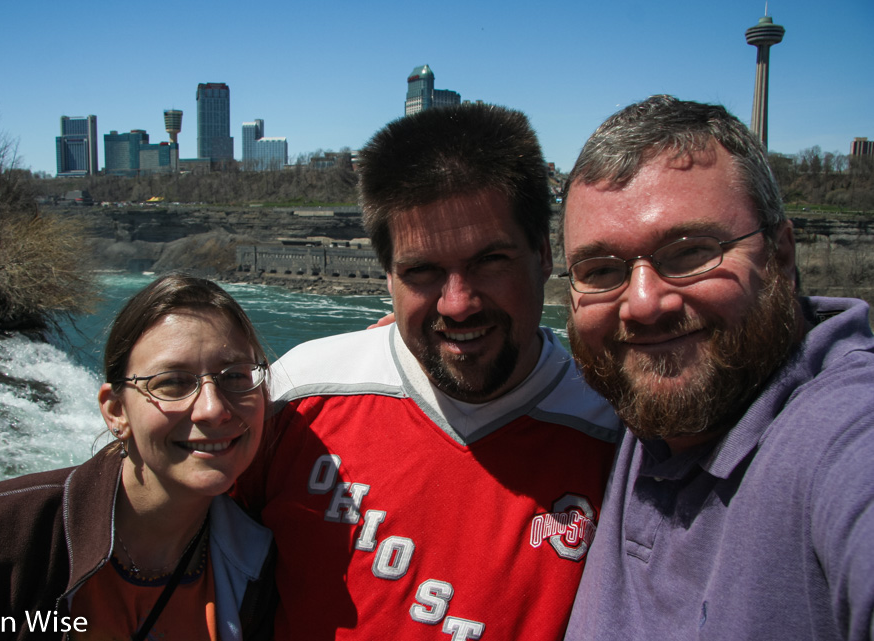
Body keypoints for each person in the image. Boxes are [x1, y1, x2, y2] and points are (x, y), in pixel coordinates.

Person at [236, 103, 621, 639]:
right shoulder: (298, 399)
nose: (458, 303)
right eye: (422, 271)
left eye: (491, 260)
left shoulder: (619, 436)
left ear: (543, 255)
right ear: (387, 277)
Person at [559, 95, 874, 640]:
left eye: (690, 253)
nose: (642, 303)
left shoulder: (841, 434)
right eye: (601, 270)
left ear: (780, 255)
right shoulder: (625, 407)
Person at [0, 274, 276, 640]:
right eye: (172, 382)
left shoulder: (264, 564)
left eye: (235, 377)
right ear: (116, 412)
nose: (212, 409)